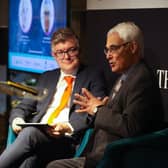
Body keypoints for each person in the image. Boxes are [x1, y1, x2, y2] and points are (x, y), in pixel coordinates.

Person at [46, 21, 164, 168]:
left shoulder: (141, 78)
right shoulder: (126, 75)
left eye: (113, 49)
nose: (108, 56)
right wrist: (104, 106)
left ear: (132, 47)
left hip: (115, 158)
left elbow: (130, 127)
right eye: (106, 50)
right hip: (98, 153)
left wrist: (97, 110)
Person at [0, 28, 107, 168]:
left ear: (79, 50)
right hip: (38, 137)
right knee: (31, 158)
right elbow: (23, 106)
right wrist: (18, 120)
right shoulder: (47, 77)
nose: (66, 56)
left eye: (71, 50)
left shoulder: (93, 75)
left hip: (66, 140)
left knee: (30, 134)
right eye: (60, 52)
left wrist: (67, 127)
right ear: (53, 55)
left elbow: (95, 112)